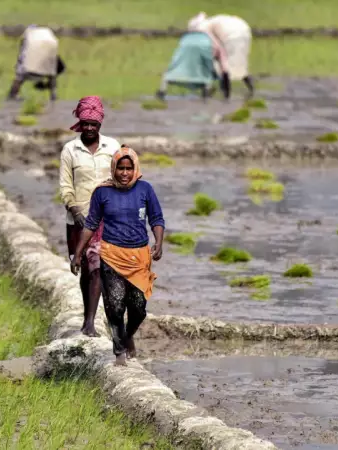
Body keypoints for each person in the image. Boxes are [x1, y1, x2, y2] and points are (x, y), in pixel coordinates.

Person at [70, 146, 165, 366]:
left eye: (128, 168)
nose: (124, 173)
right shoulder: (102, 192)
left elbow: (157, 219)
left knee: (138, 308)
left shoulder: (145, 190)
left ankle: (127, 334)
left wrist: (158, 243)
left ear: (135, 169)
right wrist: (78, 253)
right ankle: (119, 351)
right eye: (120, 168)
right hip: (111, 256)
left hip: (139, 258)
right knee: (114, 304)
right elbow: (91, 224)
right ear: (114, 169)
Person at [59, 96, 121, 337]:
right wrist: (75, 210)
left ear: (100, 125)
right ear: (80, 123)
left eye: (93, 124)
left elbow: (124, 176)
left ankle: (90, 322)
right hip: (79, 219)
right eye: (85, 123)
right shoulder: (70, 150)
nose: (89, 128)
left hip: (107, 218)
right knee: (85, 268)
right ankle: (89, 317)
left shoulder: (113, 147)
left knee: (98, 266)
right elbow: (65, 186)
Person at [187, 12, 255, 99]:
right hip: (244, 30)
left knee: (224, 66)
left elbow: (215, 46)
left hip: (231, 35)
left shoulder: (202, 28)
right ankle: (250, 88)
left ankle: (226, 95)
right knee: (239, 63)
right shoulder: (211, 22)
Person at [155, 28, 229, 102]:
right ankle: (207, 90)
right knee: (206, 73)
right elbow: (217, 62)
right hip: (203, 45)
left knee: (170, 74)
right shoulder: (212, 40)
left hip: (188, 43)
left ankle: (162, 90)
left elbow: (177, 58)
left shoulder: (193, 37)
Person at [7, 25, 66, 102]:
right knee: (52, 74)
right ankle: (53, 94)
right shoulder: (46, 37)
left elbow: (22, 52)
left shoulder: (29, 37)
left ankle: (13, 94)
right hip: (45, 65)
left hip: (29, 65)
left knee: (19, 75)